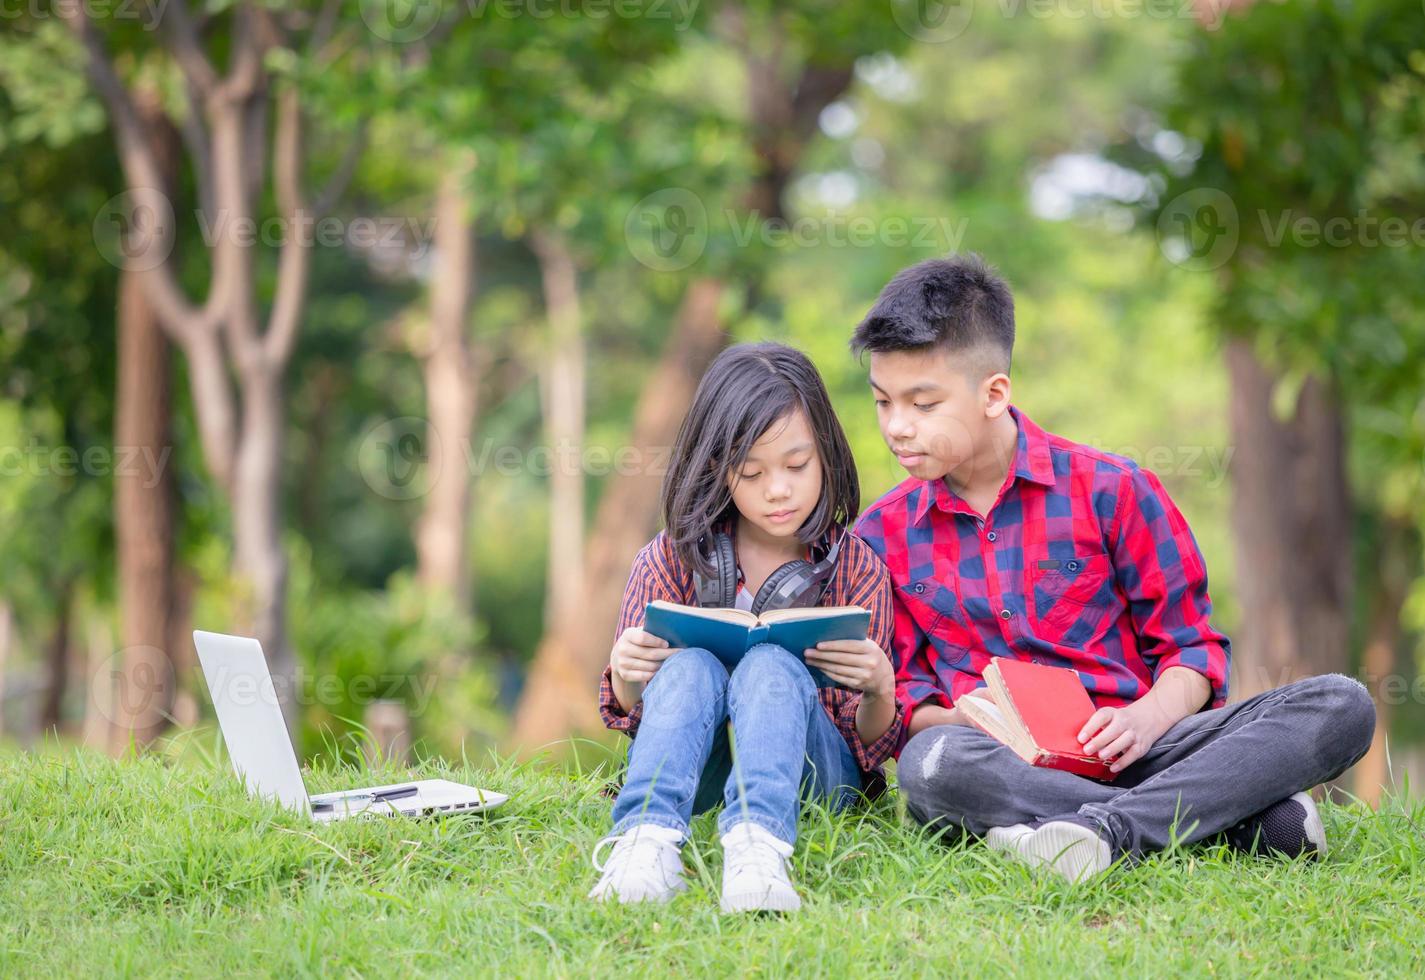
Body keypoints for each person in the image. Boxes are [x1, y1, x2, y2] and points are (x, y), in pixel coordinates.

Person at [850, 254, 1377, 883]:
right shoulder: (880, 535)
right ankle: (1233, 824)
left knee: (1342, 704)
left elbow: (1193, 651)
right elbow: (908, 705)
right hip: (1000, 762)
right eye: (883, 402)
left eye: (923, 403)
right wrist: (964, 719)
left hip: (1149, 749)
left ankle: (1105, 830)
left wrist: (1144, 717)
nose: (897, 427)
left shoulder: (1114, 489)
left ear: (994, 393)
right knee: (931, 765)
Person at [591, 342, 903, 912]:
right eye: (752, 472)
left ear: (827, 454)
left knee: (768, 663)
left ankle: (759, 850)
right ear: (716, 467)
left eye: (796, 465)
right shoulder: (668, 559)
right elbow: (628, 712)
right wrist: (628, 673)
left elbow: (867, 746)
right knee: (686, 665)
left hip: (815, 780)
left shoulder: (857, 566)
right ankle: (643, 844)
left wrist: (879, 687)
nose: (778, 489)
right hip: (700, 776)